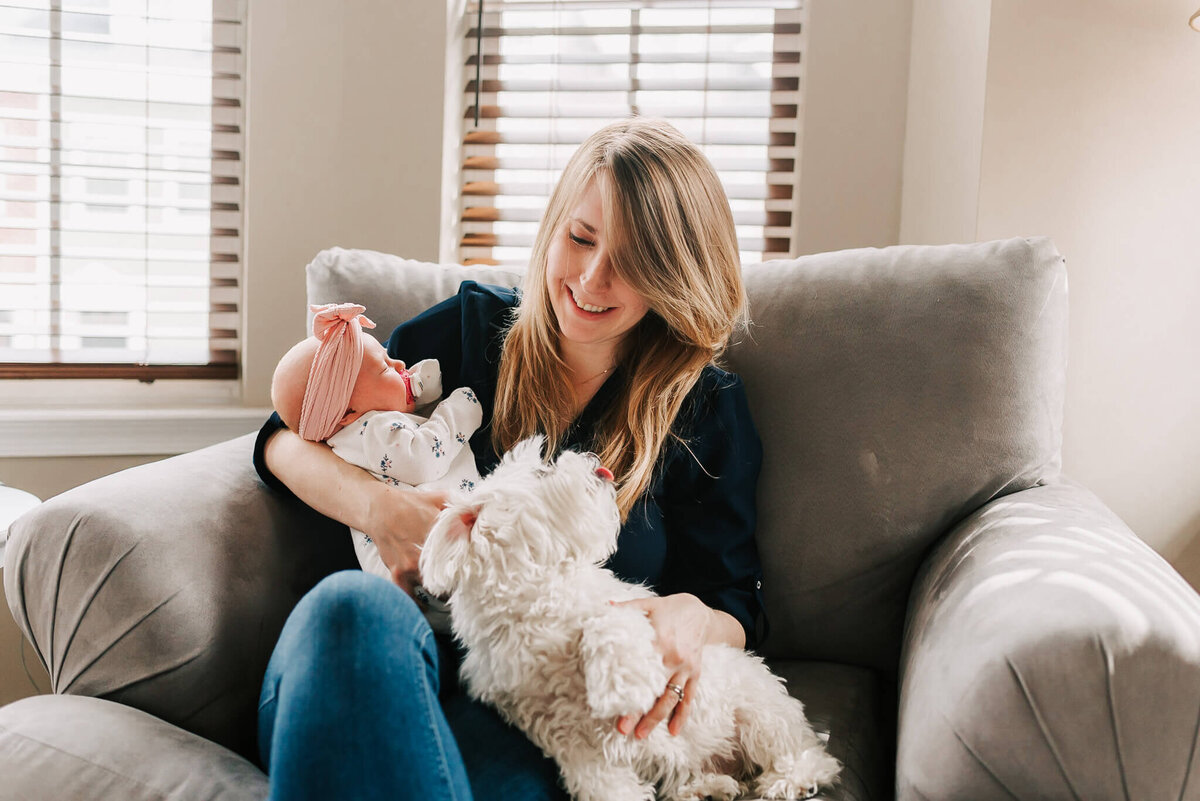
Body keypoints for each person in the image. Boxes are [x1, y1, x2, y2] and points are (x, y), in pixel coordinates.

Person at [253, 117, 765, 801]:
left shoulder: (702, 410)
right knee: (349, 606)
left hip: (531, 717)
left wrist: (694, 619)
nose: (590, 277)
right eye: (580, 238)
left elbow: (738, 602)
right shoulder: (469, 330)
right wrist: (383, 508)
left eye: (632, 261)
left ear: (673, 276)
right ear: (553, 226)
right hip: (369, 667)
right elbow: (283, 437)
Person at [270, 301, 482, 629]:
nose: (399, 362)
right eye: (385, 368)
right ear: (348, 414)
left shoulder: (358, 433)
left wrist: (413, 385)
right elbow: (424, 457)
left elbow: (418, 393)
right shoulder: (373, 431)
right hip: (440, 574)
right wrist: (462, 405)